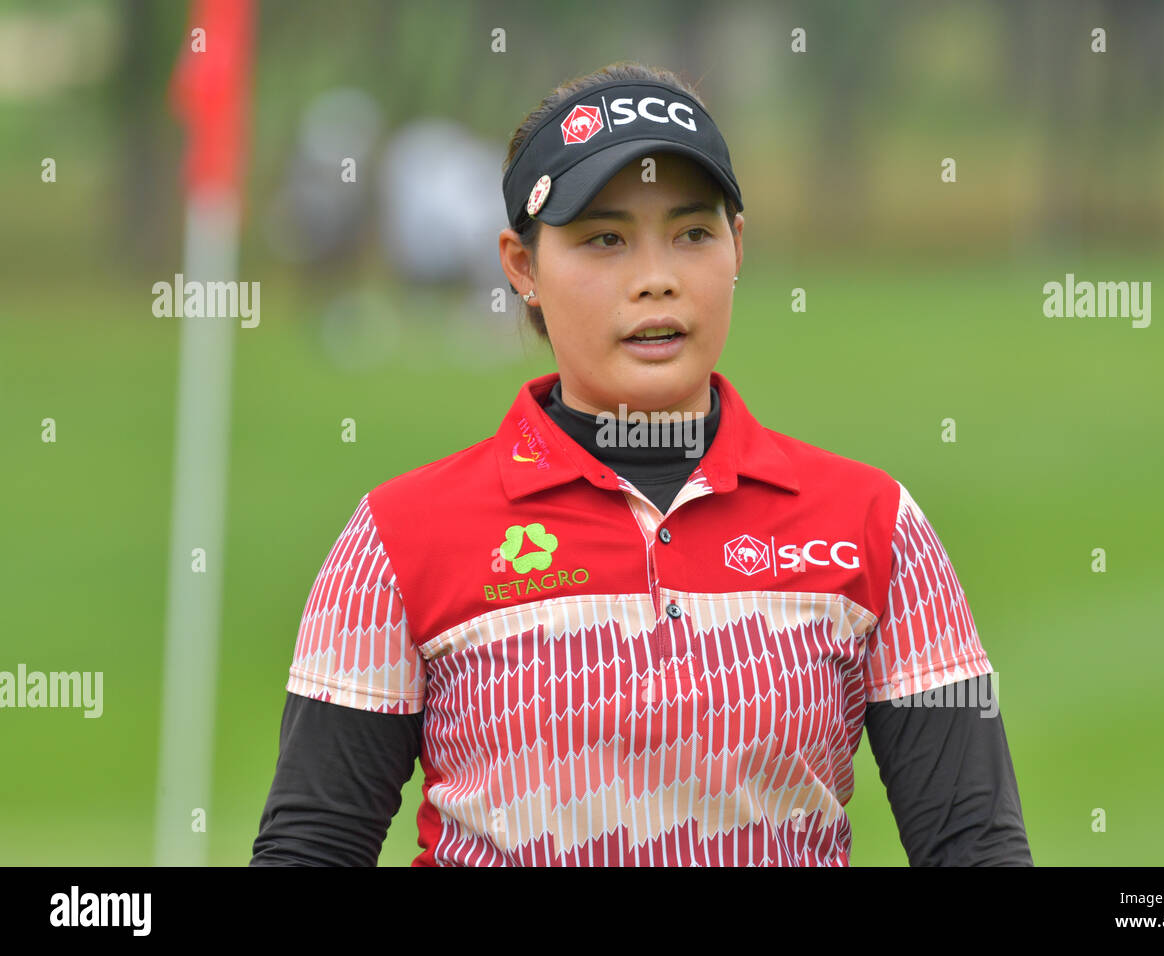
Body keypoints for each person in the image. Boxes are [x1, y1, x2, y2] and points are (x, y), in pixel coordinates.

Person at [251, 61, 1032, 867]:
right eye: (605, 240)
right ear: (521, 267)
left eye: (693, 234)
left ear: (737, 247)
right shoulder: (397, 537)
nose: (656, 280)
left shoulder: (874, 526)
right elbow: (313, 848)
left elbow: (971, 845)